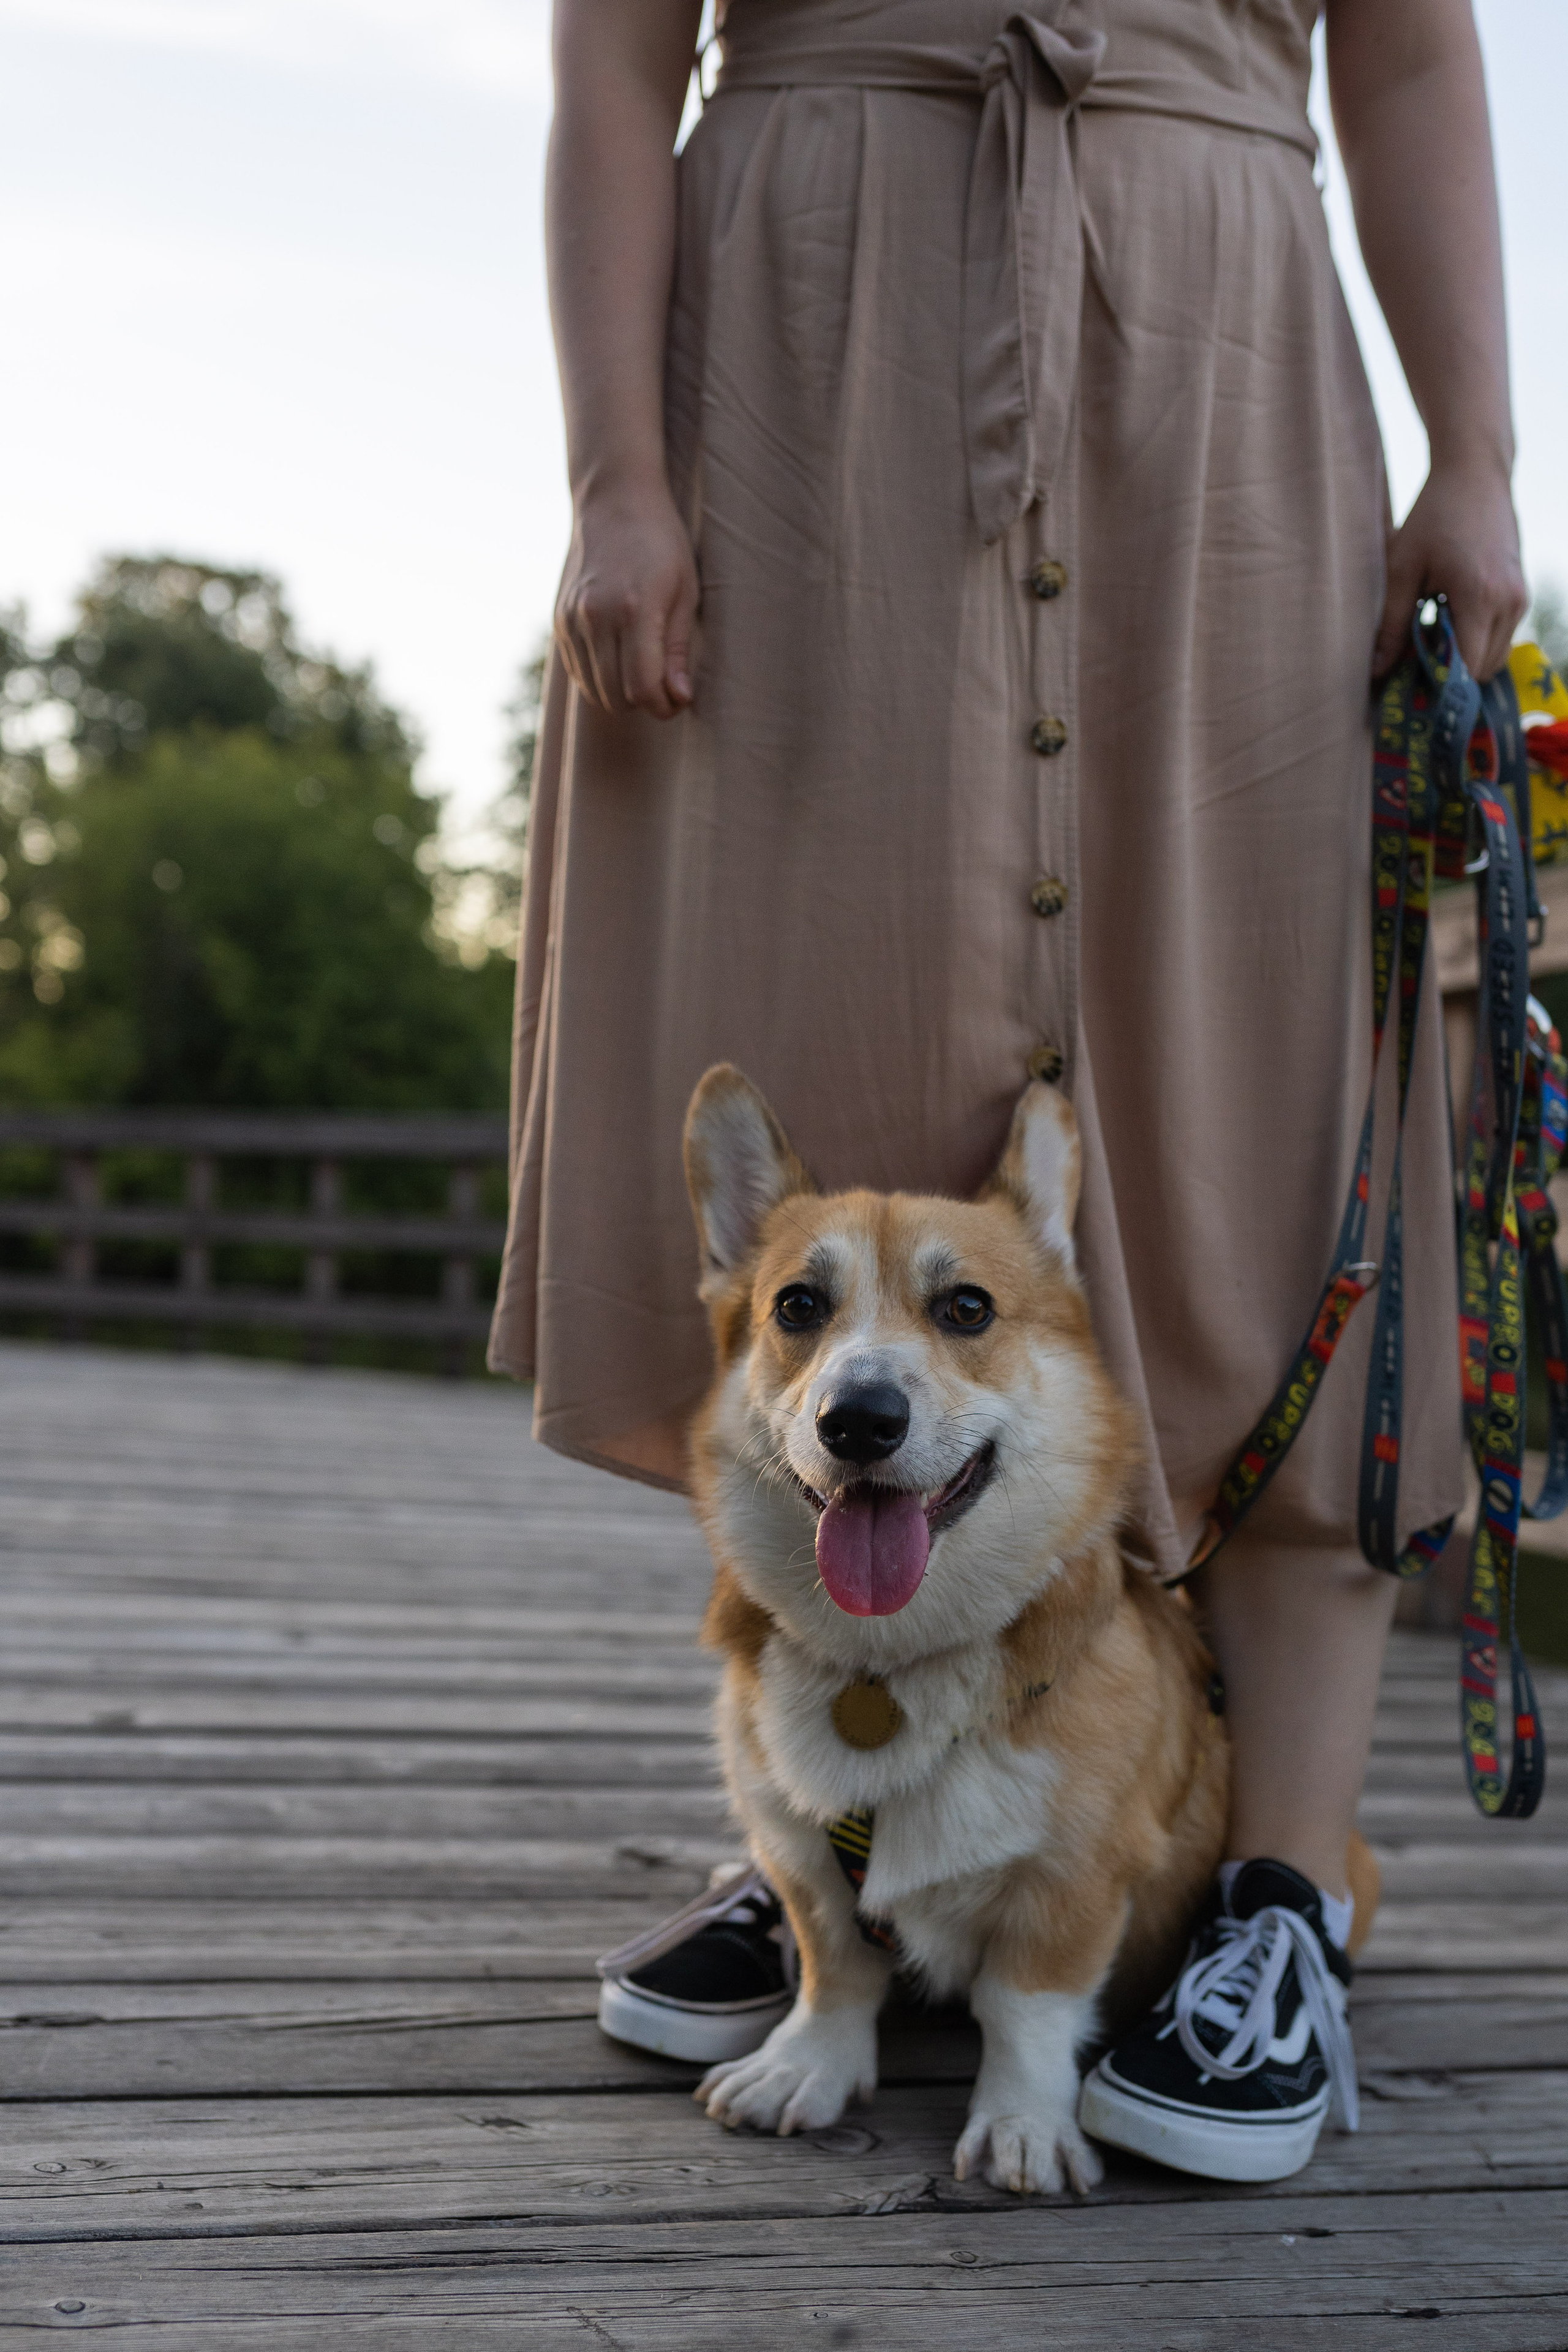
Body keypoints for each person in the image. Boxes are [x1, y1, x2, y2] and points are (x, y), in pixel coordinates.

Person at [489, 0, 1526, 2182]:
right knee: (824, 1077)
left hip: (1218, 363)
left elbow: (1415, 53)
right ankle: (837, 1851)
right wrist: (615, 473)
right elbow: (609, 55)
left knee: (1257, 1109)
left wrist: (1482, 451)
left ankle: (1282, 1888)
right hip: (796, 364)